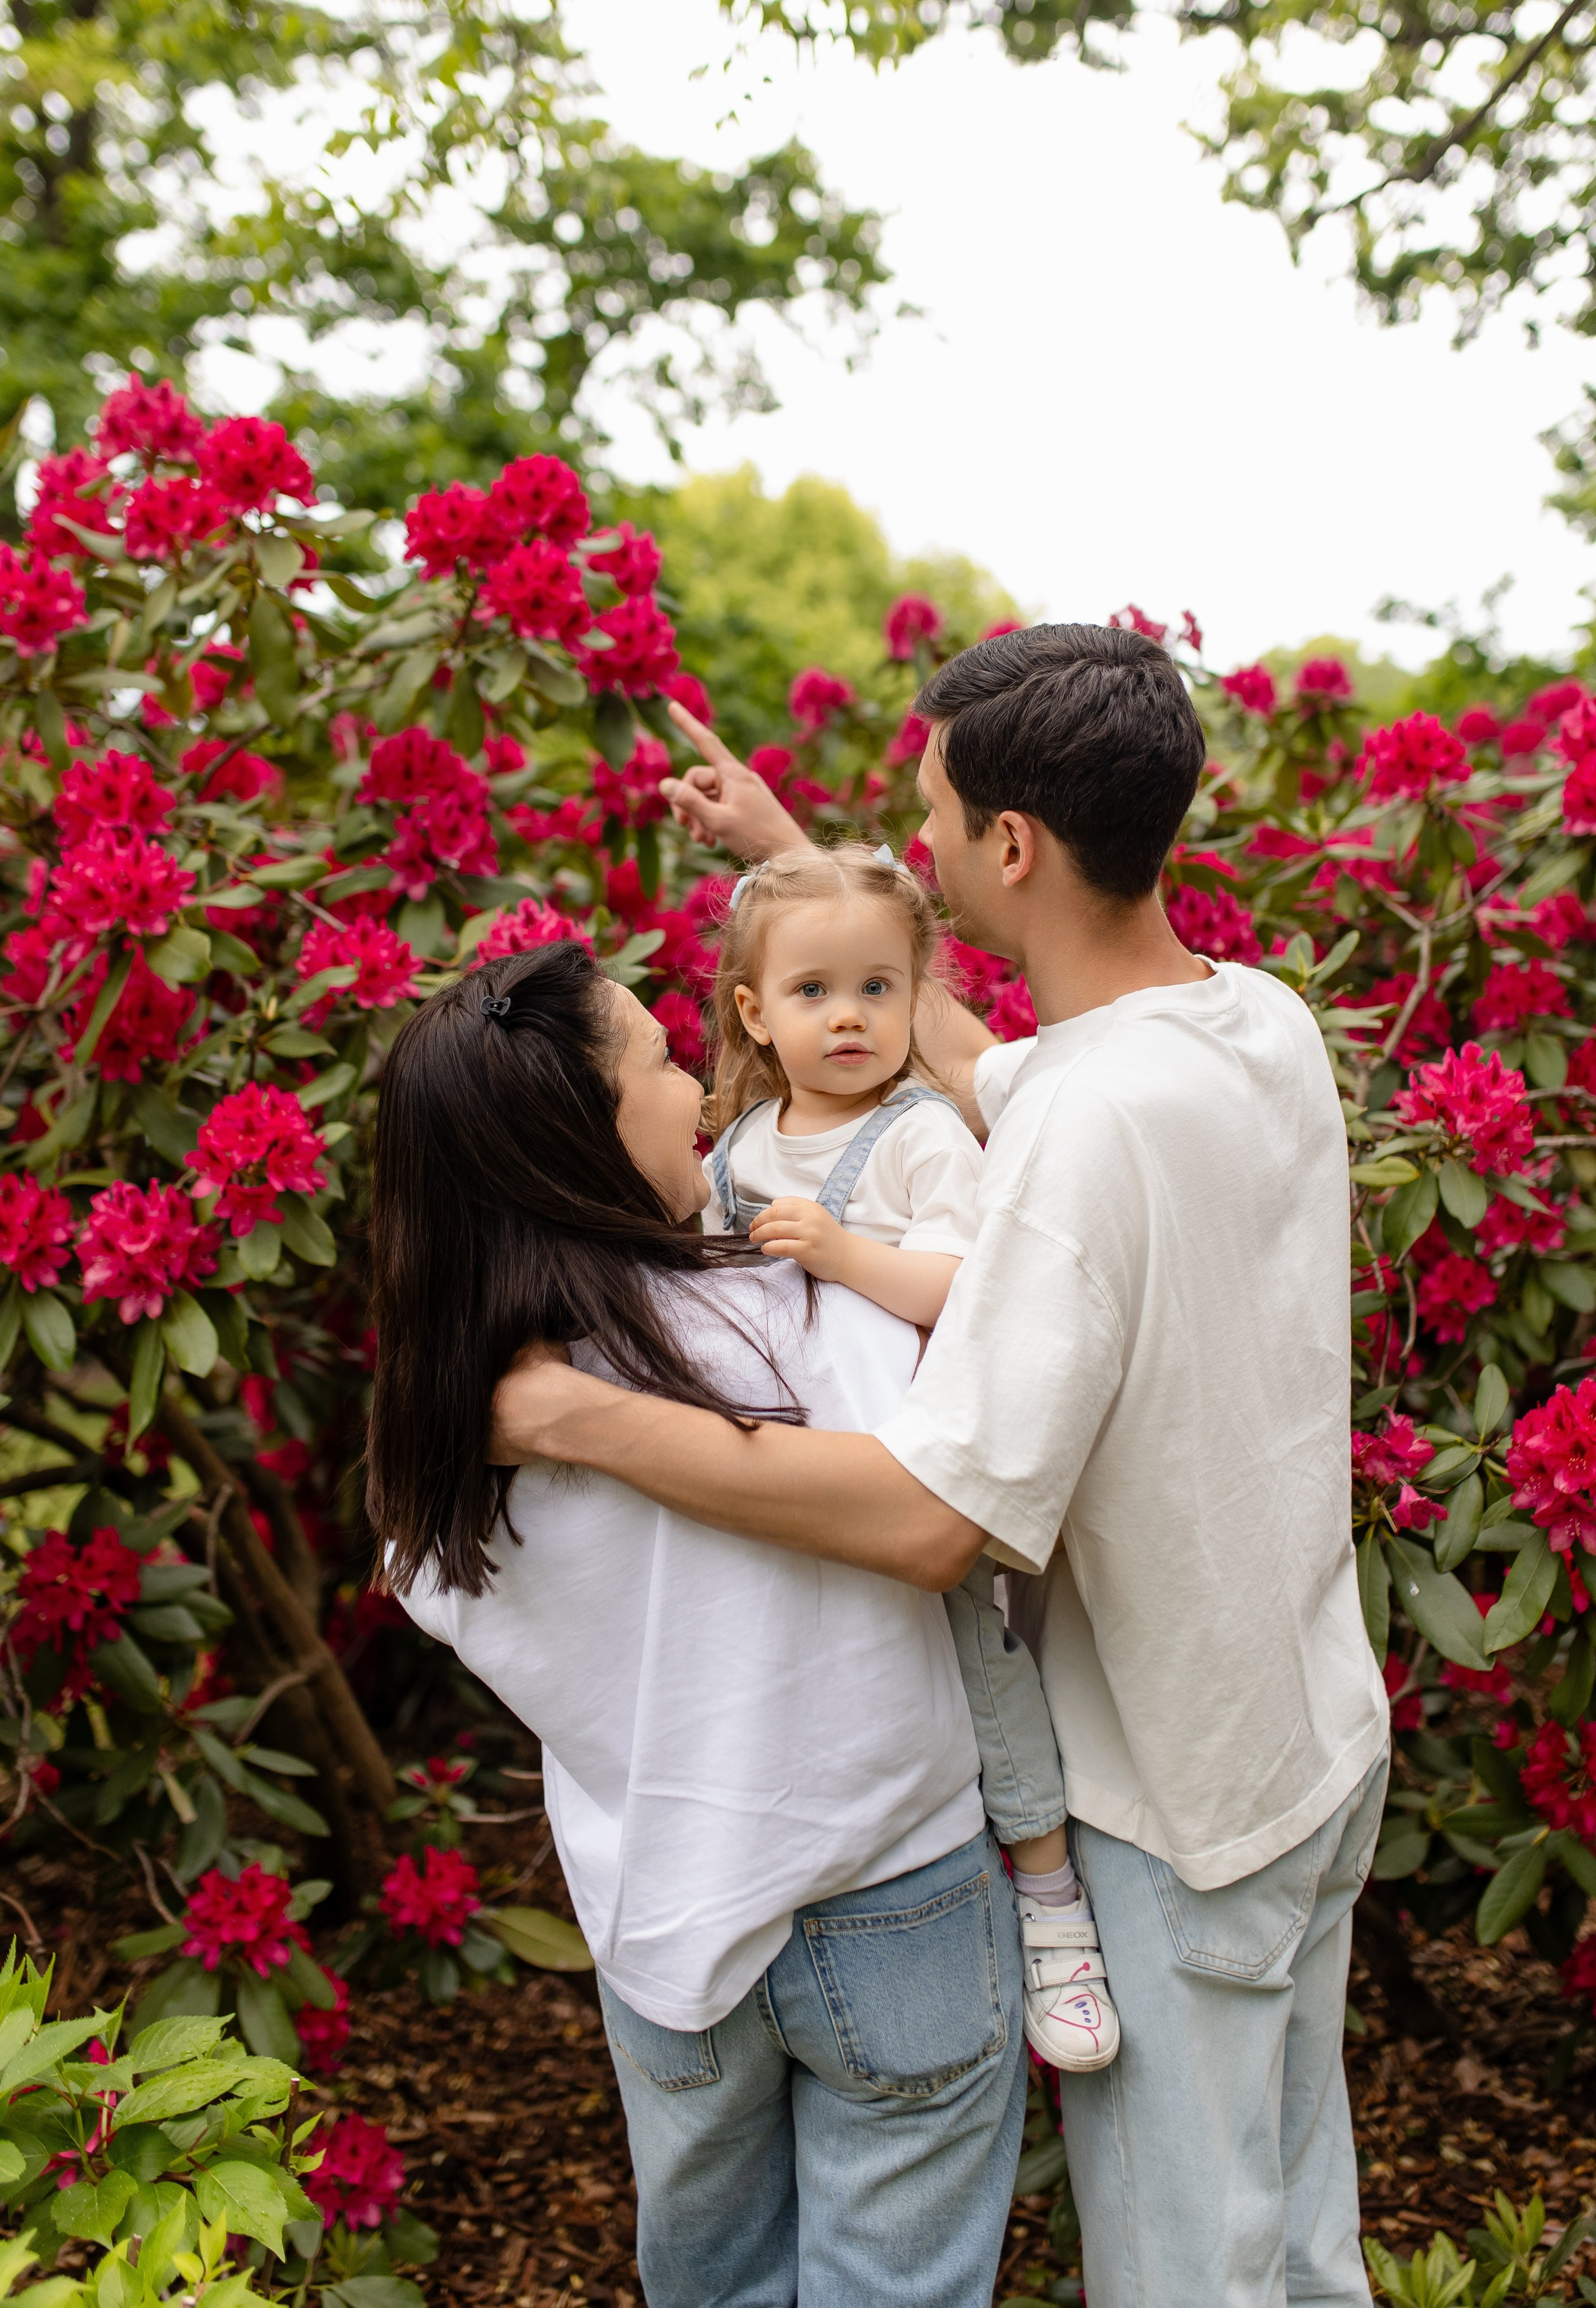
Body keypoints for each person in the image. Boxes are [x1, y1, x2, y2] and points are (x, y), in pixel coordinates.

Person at [491, 625, 1392, 2308]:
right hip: (1312, 1730)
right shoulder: (1243, 1022)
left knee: (1195, 2283)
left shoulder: (1081, 1130)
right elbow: (999, 1067)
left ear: (1009, 849)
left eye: (926, 818)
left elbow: (932, 1521)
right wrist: (787, 858)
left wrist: (569, 1418)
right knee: (1301, 2253)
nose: (913, 843)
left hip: (1170, 1802)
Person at [365, 942, 1027, 2308]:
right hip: (887, 1885)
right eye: (663, 1064)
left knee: (709, 2286)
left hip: (664, 1919)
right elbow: (942, 1506)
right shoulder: (783, 1318)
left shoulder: (448, 1432)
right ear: (580, 1140)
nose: (702, 1097)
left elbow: (449, 1598)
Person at [704, 837, 1120, 2069]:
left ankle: (1052, 1910)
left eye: (878, 989)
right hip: (781, 1485)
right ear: (754, 1013)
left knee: (977, 1671)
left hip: (905, 1474)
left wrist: (843, 1255)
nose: (849, 1017)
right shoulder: (734, 1143)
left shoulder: (919, 1137)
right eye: (814, 992)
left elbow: (967, 1284)